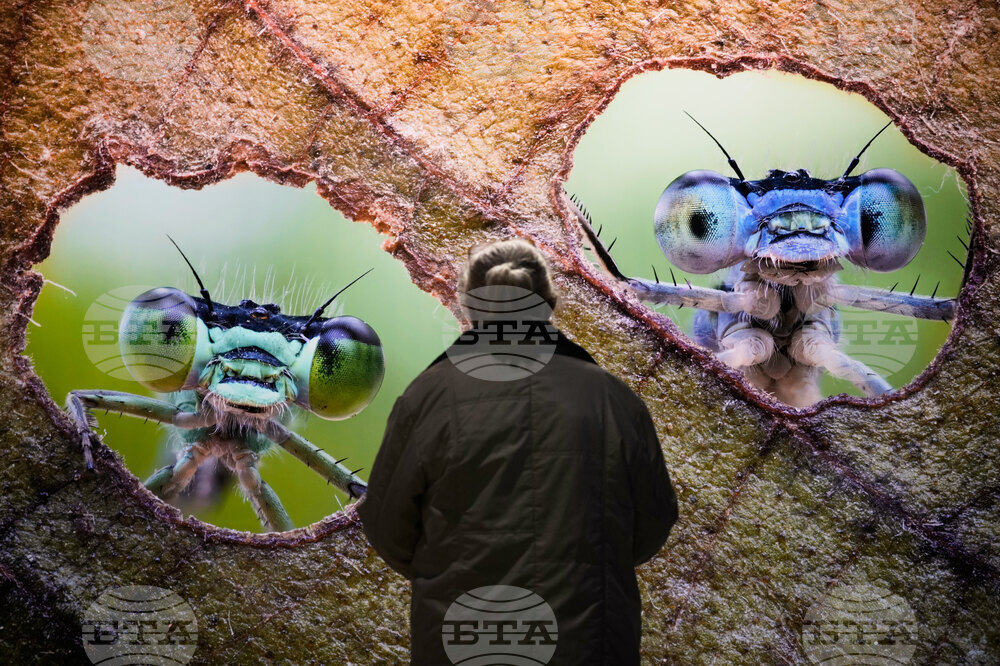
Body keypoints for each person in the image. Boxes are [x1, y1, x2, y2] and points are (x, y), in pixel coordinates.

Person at [357, 238, 678, 665]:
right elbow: (655, 518)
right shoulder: (611, 398)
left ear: (468, 307)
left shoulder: (426, 397)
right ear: (550, 304)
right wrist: (597, 558)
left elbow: (386, 527)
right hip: (588, 641)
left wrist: (445, 567)